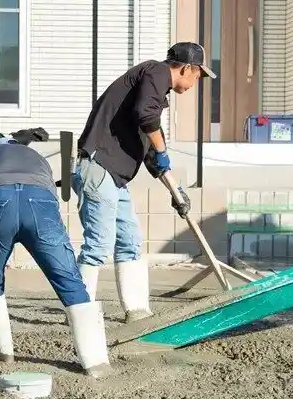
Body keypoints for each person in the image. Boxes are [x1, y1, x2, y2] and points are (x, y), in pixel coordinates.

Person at [0, 137, 111, 378]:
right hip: (40, 206)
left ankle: (3, 355)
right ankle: (96, 363)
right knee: (71, 283)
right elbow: (50, 198)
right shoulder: (36, 157)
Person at [74, 42, 216, 322]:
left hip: (114, 177)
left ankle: (137, 311)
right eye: (197, 76)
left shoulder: (150, 93)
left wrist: (175, 190)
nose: (195, 84)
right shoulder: (156, 72)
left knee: (129, 241)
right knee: (98, 245)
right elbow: (147, 118)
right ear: (186, 68)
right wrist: (162, 150)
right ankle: (79, 311)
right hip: (100, 168)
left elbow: (152, 153)